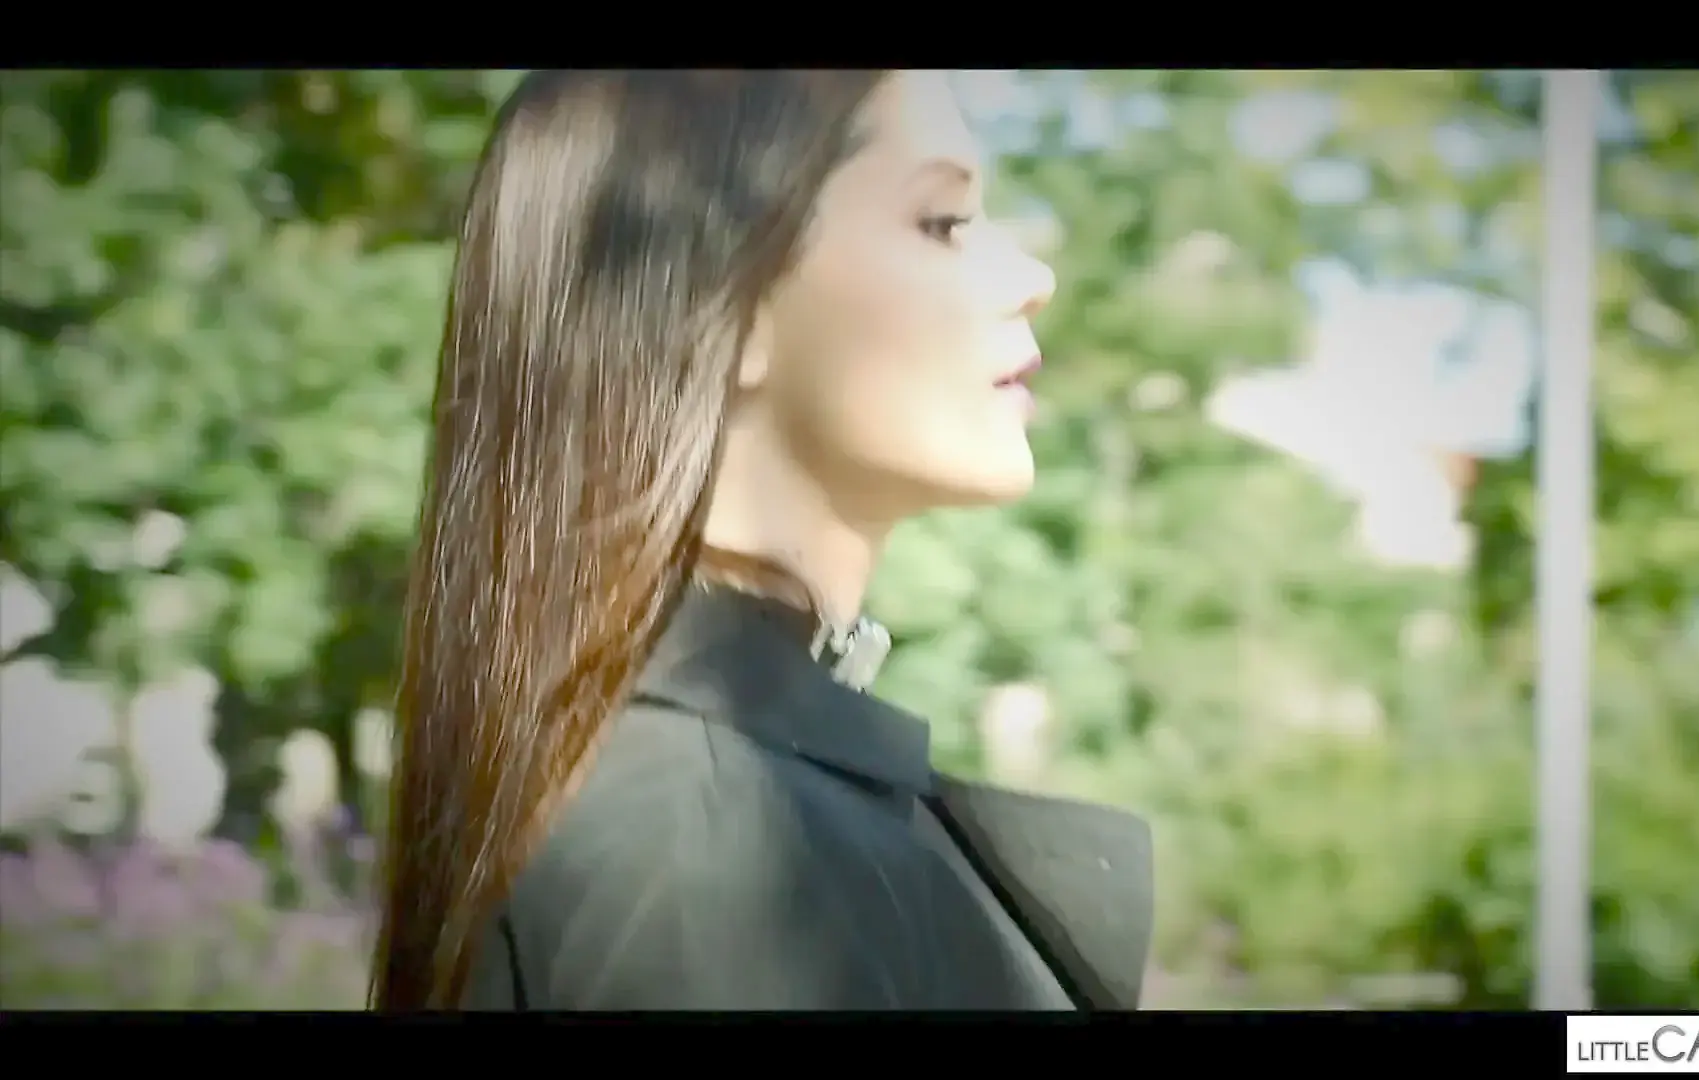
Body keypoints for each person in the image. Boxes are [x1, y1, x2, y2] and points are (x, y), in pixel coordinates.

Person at [371, 69, 1154, 1012]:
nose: (1034, 279)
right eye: (943, 223)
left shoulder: (723, 811)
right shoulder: (705, 854)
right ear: (720, 300)